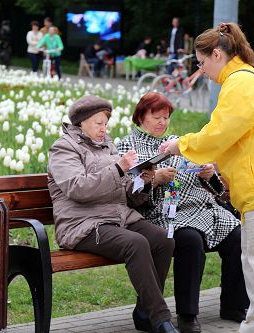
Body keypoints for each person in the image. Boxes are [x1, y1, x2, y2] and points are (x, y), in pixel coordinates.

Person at [159, 22, 254, 333]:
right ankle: (253, 327)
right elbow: (231, 137)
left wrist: (178, 145)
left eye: (201, 63)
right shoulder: (245, 78)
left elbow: (218, 134)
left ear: (216, 54)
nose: (202, 71)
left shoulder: (239, 83)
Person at [117, 92, 249, 333]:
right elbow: (128, 193)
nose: (162, 122)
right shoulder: (127, 146)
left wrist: (209, 175)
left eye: (166, 117)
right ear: (141, 117)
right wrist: (154, 179)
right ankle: (188, 314)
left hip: (203, 208)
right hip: (164, 214)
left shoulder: (178, 142)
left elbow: (216, 188)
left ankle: (234, 304)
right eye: (156, 117)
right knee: (190, 240)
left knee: (238, 235)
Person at [47, 95, 178, 333]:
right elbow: (77, 188)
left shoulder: (108, 145)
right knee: (136, 243)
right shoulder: (63, 148)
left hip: (117, 217)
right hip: (82, 224)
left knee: (163, 240)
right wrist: (119, 168)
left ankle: (144, 311)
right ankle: (160, 320)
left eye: (106, 123)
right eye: (98, 123)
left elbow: (127, 193)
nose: (104, 129)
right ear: (81, 123)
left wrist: (144, 182)